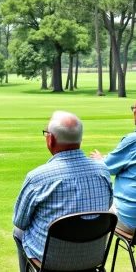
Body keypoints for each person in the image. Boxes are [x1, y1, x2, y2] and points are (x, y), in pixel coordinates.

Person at [13, 111, 113, 272]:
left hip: (52, 263)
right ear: (79, 138)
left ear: (50, 139)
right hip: (92, 258)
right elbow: (106, 206)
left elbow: (20, 221)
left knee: (18, 231)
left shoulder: (38, 177)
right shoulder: (103, 171)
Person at [90, 103, 136, 235]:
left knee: (92, 204)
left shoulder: (132, 140)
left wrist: (100, 159)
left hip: (130, 221)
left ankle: (87, 252)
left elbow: (108, 167)